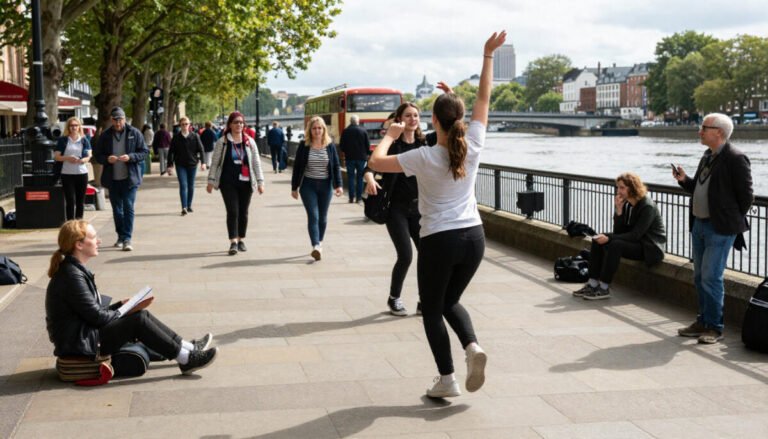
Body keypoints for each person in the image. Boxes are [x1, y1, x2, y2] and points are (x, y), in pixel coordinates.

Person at [368, 31, 506, 398]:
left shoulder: (424, 156)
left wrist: (390, 132)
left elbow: (375, 162)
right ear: (460, 120)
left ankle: (447, 380)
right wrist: (487, 55)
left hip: (440, 238)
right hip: (474, 237)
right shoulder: (473, 145)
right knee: (449, 301)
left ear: (435, 121)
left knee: (431, 308)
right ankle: (472, 347)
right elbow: (483, 97)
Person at [45, 220, 218, 375]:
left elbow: (91, 313)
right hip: (81, 344)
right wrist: (125, 310)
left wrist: (122, 305)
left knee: (141, 315)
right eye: (94, 237)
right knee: (138, 319)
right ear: (79, 245)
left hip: (83, 337)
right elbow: (96, 317)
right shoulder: (71, 275)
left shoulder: (73, 270)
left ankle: (188, 348)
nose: (99, 241)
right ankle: (186, 359)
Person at [673, 113, 753, 344]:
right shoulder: (707, 156)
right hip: (699, 223)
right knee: (699, 277)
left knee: (711, 277)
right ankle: (703, 321)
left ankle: (714, 327)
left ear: (718, 132)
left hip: (719, 228)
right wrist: (684, 180)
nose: (700, 131)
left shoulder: (736, 158)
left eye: (704, 128)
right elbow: (699, 188)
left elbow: (746, 197)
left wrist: (728, 219)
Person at [363, 102, 433, 316]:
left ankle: (425, 300)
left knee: (428, 256)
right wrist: (369, 179)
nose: (413, 119)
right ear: (400, 119)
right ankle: (394, 298)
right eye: (409, 115)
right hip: (397, 210)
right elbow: (370, 166)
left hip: (420, 209)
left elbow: (452, 131)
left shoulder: (425, 143)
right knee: (405, 255)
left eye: (416, 115)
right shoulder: (393, 145)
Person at [572, 172, 666, 300]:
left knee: (615, 244)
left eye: (622, 187)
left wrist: (610, 238)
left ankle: (604, 288)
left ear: (632, 188)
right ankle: (593, 284)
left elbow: (635, 235)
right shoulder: (628, 204)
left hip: (650, 248)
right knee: (598, 239)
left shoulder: (647, 206)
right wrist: (619, 210)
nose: (618, 191)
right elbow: (620, 232)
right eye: (618, 187)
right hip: (638, 243)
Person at [207, 111, 265, 255]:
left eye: (241, 122)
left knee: (243, 212)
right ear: (230, 125)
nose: (239, 124)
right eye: (235, 122)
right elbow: (214, 163)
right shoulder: (223, 142)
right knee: (233, 211)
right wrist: (211, 181)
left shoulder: (249, 141)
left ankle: (241, 239)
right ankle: (233, 241)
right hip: (228, 182)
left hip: (246, 182)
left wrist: (260, 181)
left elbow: (256, 162)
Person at [95, 107, 148, 251]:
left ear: (125, 119)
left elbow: (144, 152)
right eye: (115, 120)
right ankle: (120, 235)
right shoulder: (105, 136)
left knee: (128, 208)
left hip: (129, 179)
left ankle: (127, 238)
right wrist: (107, 159)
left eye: (120, 119)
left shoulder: (134, 133)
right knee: (117, 210)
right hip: (113, 179)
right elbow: (97, 155)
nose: (118, 123)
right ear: (111, 120)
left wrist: (130, 157)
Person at [291, 116, 343, 261]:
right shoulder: (304, 145)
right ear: (310, 130)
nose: (317, 131)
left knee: (323, 217)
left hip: (326, 185)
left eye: (320, 128)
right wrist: (294, 187)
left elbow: (336, 166)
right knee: (313, 216)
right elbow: (297, 167)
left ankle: (320, 242)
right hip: (308, 185)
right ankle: (315, 246)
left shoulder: (330, 145)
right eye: (314, 128)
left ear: (324, 129)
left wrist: (338, 185)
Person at [54, 117, 92, 221]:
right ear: (68, 127)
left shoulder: (84, 140)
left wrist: (84, 160)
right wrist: (68, 158)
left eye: (76, 125)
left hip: (82, 174)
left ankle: (79, 224)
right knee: (70, 200)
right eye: (72, 125)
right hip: (67, 174)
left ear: (79, 127)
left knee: (80, 201)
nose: (74, 127)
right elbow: (56, 156)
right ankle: (70, 224)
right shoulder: (63, 140)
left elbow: (89, 156)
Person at [168, 116, 206, 216]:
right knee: (183, 185)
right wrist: (170, 165)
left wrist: (203, 163)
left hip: (192, 164)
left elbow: (201, 150)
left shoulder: (195, 136)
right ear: (180, 125)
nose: (185, 126)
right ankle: (184, 207)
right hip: (180, 165)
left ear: (189, 125)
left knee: (191, 185)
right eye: (183, 124)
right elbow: (171, 152)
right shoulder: (176, 137)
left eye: (186, 124)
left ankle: (189, 205)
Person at [340, 115, 371, 204]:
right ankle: (359, 198)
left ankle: (351, 198)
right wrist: (367, 154)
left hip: (349, 158)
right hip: (361, 158)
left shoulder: (345, 131)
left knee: (351, 178)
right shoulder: (363, 130)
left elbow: (342, 145)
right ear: (358, 121)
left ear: (350, 121)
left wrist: (346, 151)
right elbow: (367, 145)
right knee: (360, 178)